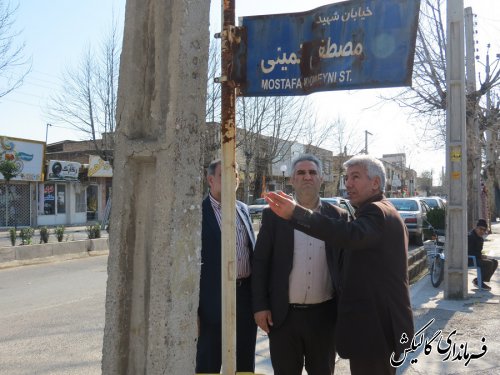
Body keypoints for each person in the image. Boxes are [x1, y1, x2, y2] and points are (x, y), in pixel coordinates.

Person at [264, 154, 414, 375]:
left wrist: (296, 213)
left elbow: (347, 234)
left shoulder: (376, 211)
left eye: (355, 177)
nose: (348, 184)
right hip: (372, 329)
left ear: (375, 183)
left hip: (375, 330)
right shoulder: (377, 211)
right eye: (347, 177)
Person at [252, 154, 349, 375]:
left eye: (312, 172)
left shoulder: (338, 217)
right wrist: (260, 306)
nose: (307, 177)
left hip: (324, 318)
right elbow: (260, 262)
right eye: (301, 173)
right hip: (283, 318)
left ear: (321, 179)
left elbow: (346, 267)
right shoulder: (273, 216)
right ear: (292, 180)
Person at [196, 159, 257, 373]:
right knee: (208, 363)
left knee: (244, 363)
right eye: (226, 174)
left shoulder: (243, 209)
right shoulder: (197, 213)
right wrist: (193, 311)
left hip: (244, 301)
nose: (234, 178)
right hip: (212, 303)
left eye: (236, 174)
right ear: (210, 180)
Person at [468, 219, 498, 291]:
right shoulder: (470, 236)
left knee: (495, 262)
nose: (482, 231)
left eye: (484, 230)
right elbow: (468, 251)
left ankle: (478, 280)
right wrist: (480, 256)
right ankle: (479, 282)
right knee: (489, 263)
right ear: (476, 227)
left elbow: (478, 251)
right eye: (480, 229)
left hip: (476, 258)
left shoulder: (480, 238)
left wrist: (481, 256)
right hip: (470, 259)